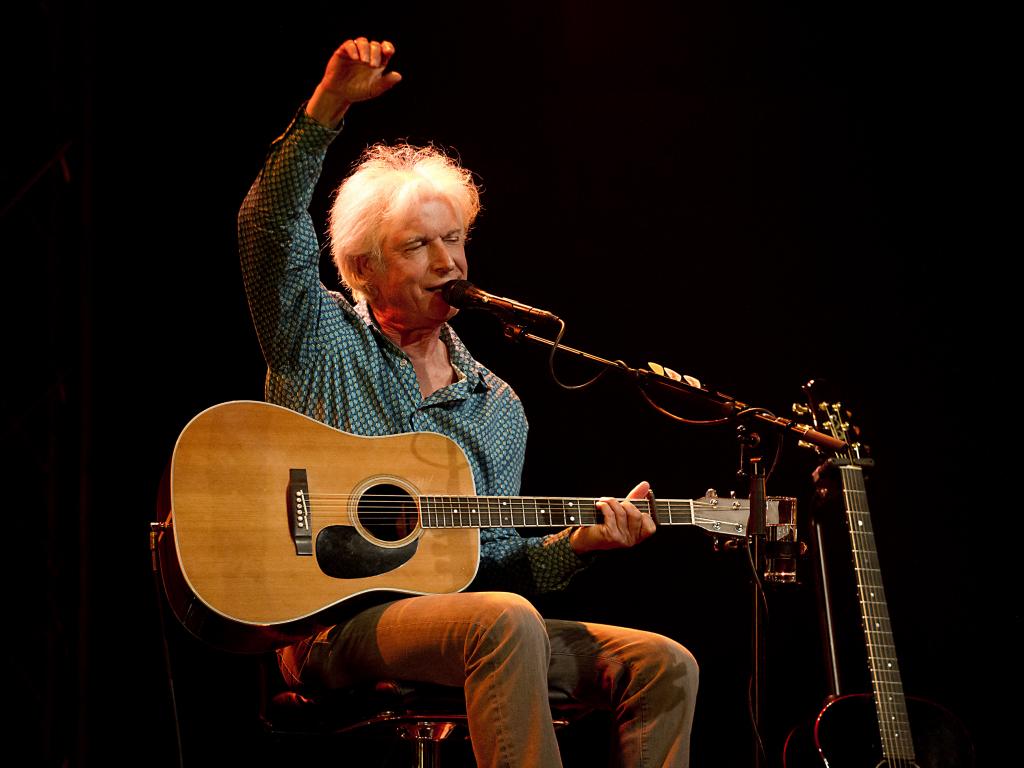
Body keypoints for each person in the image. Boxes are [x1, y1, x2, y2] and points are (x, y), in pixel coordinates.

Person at [237, 35, 698, 767]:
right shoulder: (316, 337)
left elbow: (494, 570)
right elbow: (267, 227)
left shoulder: (496, 404)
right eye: (418, 246)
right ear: (363, 268)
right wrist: (326, 109)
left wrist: (579, 545)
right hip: (325, 625)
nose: (447, 262)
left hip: (464, 619)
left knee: (664, 663)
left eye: (453, 240)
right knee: (505, 622)